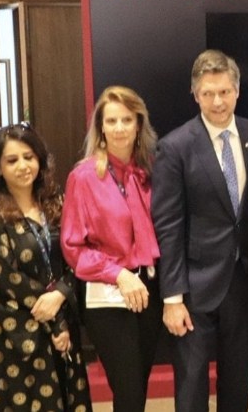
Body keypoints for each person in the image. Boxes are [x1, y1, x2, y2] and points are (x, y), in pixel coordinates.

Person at [151, 51, 248, 412]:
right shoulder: (175, 146)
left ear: (237, 91)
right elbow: (169, 225)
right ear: (195, 95)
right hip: (193, 287)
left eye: (224, 92)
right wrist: (172, 298)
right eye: (208, 93)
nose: (217, 101)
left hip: (244, 283)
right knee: (191, 387)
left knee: (238, 383)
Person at [0, 123, 91, 411]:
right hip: (15, 333)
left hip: (63, 320)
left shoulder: (55, 202)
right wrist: (54, 322)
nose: (23, 166)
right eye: (12, 160)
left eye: (29, 157)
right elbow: (4, 280)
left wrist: (61, 295)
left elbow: (80, 254)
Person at [62, 86, 161, 412]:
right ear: (101, 127)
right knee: (128, 388)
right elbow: (73, 247)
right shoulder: (84, 177)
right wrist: (118, 274)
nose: (119, 128)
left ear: (139, 124)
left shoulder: (150, 172)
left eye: (127, 120)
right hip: (109, 294)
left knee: (137, 388)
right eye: (112, 121)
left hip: (150, 290)